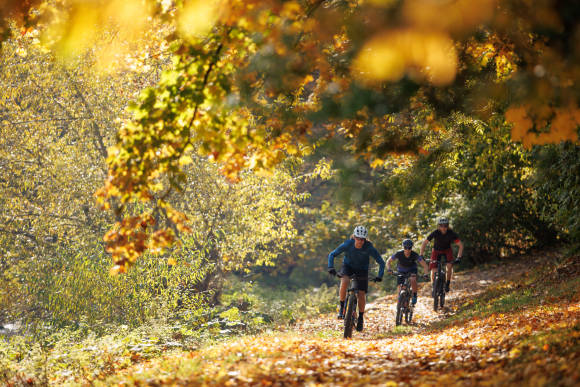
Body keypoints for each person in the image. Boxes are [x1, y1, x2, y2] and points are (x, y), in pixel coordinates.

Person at [327, 225, 385, 332]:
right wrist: (330, 267)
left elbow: (381, 262)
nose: (360, 241)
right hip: (348, 266)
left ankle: (361, 318)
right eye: (358, 238)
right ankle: (341, 308)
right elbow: (332, 254)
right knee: (344, 281)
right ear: (354, 237)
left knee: (361, 293)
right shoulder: (348, 244)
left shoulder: (369, 247)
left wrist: (379, 275)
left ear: (365, 239)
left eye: (362, 239)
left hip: (362, 270)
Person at [419, 217, 464, 292]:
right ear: (438, 226)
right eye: (441, 226)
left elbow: (460, 245)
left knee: (449, 266)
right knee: (433, 269)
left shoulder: (451, 233)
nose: (443, 228)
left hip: (447, 250)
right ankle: (434, 286)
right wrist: (421, 254)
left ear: (448, 226)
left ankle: (447, 284)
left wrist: (459, 257)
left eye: (445, 226)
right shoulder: (435, 232)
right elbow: (424, 243)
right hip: (436, 251)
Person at [385, 239, 430, 306]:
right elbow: (388, 261)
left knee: (413, 279)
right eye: (405, 247)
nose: (407, 250)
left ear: (411, 248)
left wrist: (426, 274)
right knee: (400, 287)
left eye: (409, 248)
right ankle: (400, 300)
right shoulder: (398, 253)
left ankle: (414, 295)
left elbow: (425, 265)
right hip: (401, 270)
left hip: (412, 269)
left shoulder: (415, 255)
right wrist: (389, 269)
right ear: (403, 247)